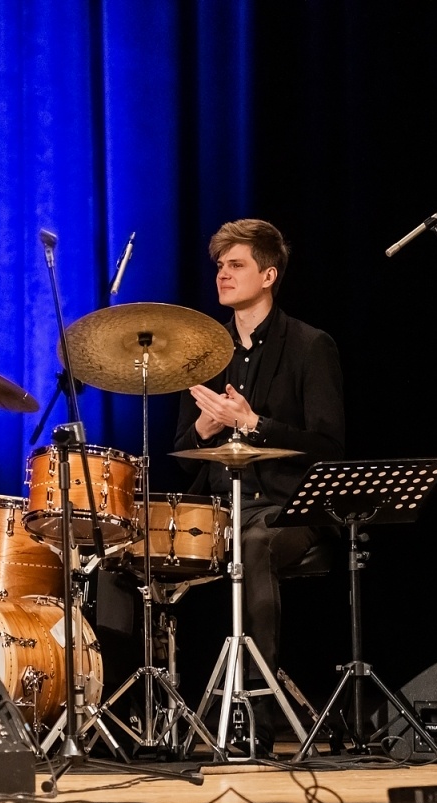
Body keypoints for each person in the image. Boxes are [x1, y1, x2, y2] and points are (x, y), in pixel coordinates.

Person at [174, 219, 345, 754]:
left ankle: (260, 719)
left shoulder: (311, 346)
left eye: (236, 264)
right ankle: (144, 716)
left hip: (287, 512)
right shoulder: (204, 351)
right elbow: (183, 459)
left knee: (255, 545)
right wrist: (202, 429)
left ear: (268, 275)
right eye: (220, 265)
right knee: (127, 546)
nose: (223, 274)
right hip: (219, 509)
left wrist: (254, 423)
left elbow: (329, 447)